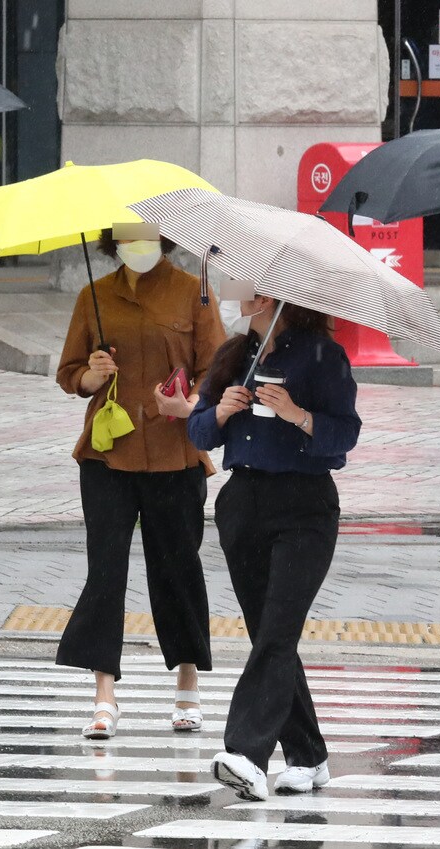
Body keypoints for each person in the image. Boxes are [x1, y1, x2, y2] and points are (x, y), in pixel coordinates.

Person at [189, 287, 361, 801]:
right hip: (242, 503)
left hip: (305, 506)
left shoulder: (323, 356)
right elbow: (198, 432)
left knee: (278, 631)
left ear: (272, 299)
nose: (239, 295)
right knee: (269, 634)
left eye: (250, 288)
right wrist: (221, 411)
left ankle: (246, 753)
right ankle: (308, 755)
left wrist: (297, 415)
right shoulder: (233, 354)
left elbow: (345, 434)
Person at [54, 222, 225, 739]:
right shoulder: (94, 295)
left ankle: (188, 684)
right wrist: (93, 374)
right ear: (113, 243)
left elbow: (214, 370)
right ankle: (104, 694)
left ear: (166, 240)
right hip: (108, 455)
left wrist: (189, 403)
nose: (140, 247)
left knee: (177, 568)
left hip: (175, 453)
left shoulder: (192, 292)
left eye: (149, 238)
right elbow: (69, 375)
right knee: (104, 571)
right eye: (129, 239)